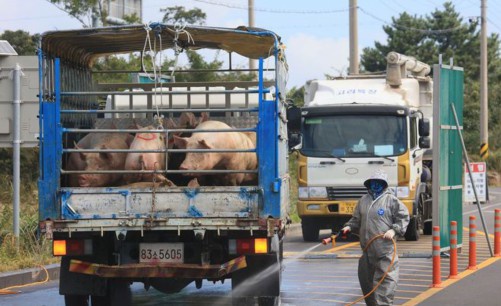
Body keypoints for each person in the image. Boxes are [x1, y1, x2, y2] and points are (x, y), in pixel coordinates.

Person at [342, 169, 409, 306]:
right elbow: (356, 219)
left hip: (385, 251)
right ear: (369, 184)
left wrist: (394, 230)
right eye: (373, 183)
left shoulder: (391, 200)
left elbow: (403, 217)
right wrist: (349, 227)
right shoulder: (363, 200)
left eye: (379, 183)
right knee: (367, 284)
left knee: (385, 285)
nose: (375, 185)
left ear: (384, 184)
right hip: (367, 251)